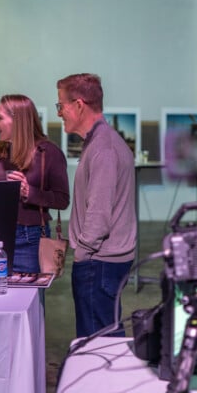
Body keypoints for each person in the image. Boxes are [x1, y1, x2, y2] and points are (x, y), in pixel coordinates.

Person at [56, 73, 136, 338]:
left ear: (79, 105)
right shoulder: (100, 143)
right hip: (101, 261)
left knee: (99, 347)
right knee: (104, 337)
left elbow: (99, 213)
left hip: (98, 262)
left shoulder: (104, 148)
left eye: (61, 106)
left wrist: (83, 253)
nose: (59, 113)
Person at [0, 94, 70, 273]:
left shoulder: (49, 153)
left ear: (17, 120)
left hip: (30, 239)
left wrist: (30, 193)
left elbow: (62, 200)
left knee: (30, 299)